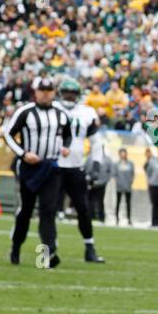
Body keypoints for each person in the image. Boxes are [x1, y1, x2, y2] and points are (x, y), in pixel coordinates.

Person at [2, 76, 70, 267]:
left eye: (49, 91)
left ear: (54, 93)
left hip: (51, 168)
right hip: (29, 168)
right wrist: (23, 154)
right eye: (42, 91)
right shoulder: (25, 112)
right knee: (26, 211)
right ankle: (16, 248)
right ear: (36, 92)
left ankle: (46, 256)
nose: (46, 94)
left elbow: (67, 135)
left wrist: (65, 147)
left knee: (48, 211)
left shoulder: (61, 113)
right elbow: (7, 133)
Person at [57, 78, 105, 262]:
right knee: (47, 211)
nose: (69, 96)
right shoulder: (52, 109)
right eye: (66, 92)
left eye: (73, 93)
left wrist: (96, 164)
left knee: (84, 210)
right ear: (61, 93)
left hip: (75, 168)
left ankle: (90, 248)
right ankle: (46, 252)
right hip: (54, 166)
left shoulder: (86, 112)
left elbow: (96, 142)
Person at [85, 140, 113, 223]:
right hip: (91, 183)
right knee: (90, 200)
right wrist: (88, 178)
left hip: (101, 184)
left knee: (100, 201)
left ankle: (101, 217)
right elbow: (86, 168)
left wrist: (104, 181)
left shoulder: (107, 159)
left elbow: (110, 172)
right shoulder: (90, 157)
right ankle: (90, 216)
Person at [114, 147, 134, 225]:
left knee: (128, 203)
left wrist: (130, 182)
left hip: (128, 187)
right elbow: (115, 175)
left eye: (124, 153)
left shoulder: (130, 163)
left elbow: (132, 174)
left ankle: (129, 219)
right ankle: (117, 219)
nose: (123, 155)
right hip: (119, 187)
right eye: (121, 153)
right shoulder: (116, 164)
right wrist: (118, 183)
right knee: (118, 203)